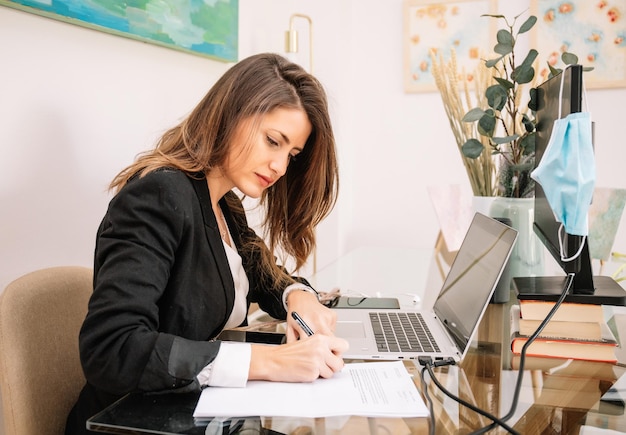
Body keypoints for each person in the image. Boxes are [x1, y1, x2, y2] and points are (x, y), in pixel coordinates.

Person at [65, 52, 349, 434]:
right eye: (272, 141)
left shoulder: (223, 202)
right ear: (231, 114)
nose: (281, 167)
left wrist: (300, 297)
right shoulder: (160, 195)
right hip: (131, 422)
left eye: (291, 155)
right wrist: (269, 361)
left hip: (194, 416)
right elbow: (113, 350)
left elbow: (263, 275)